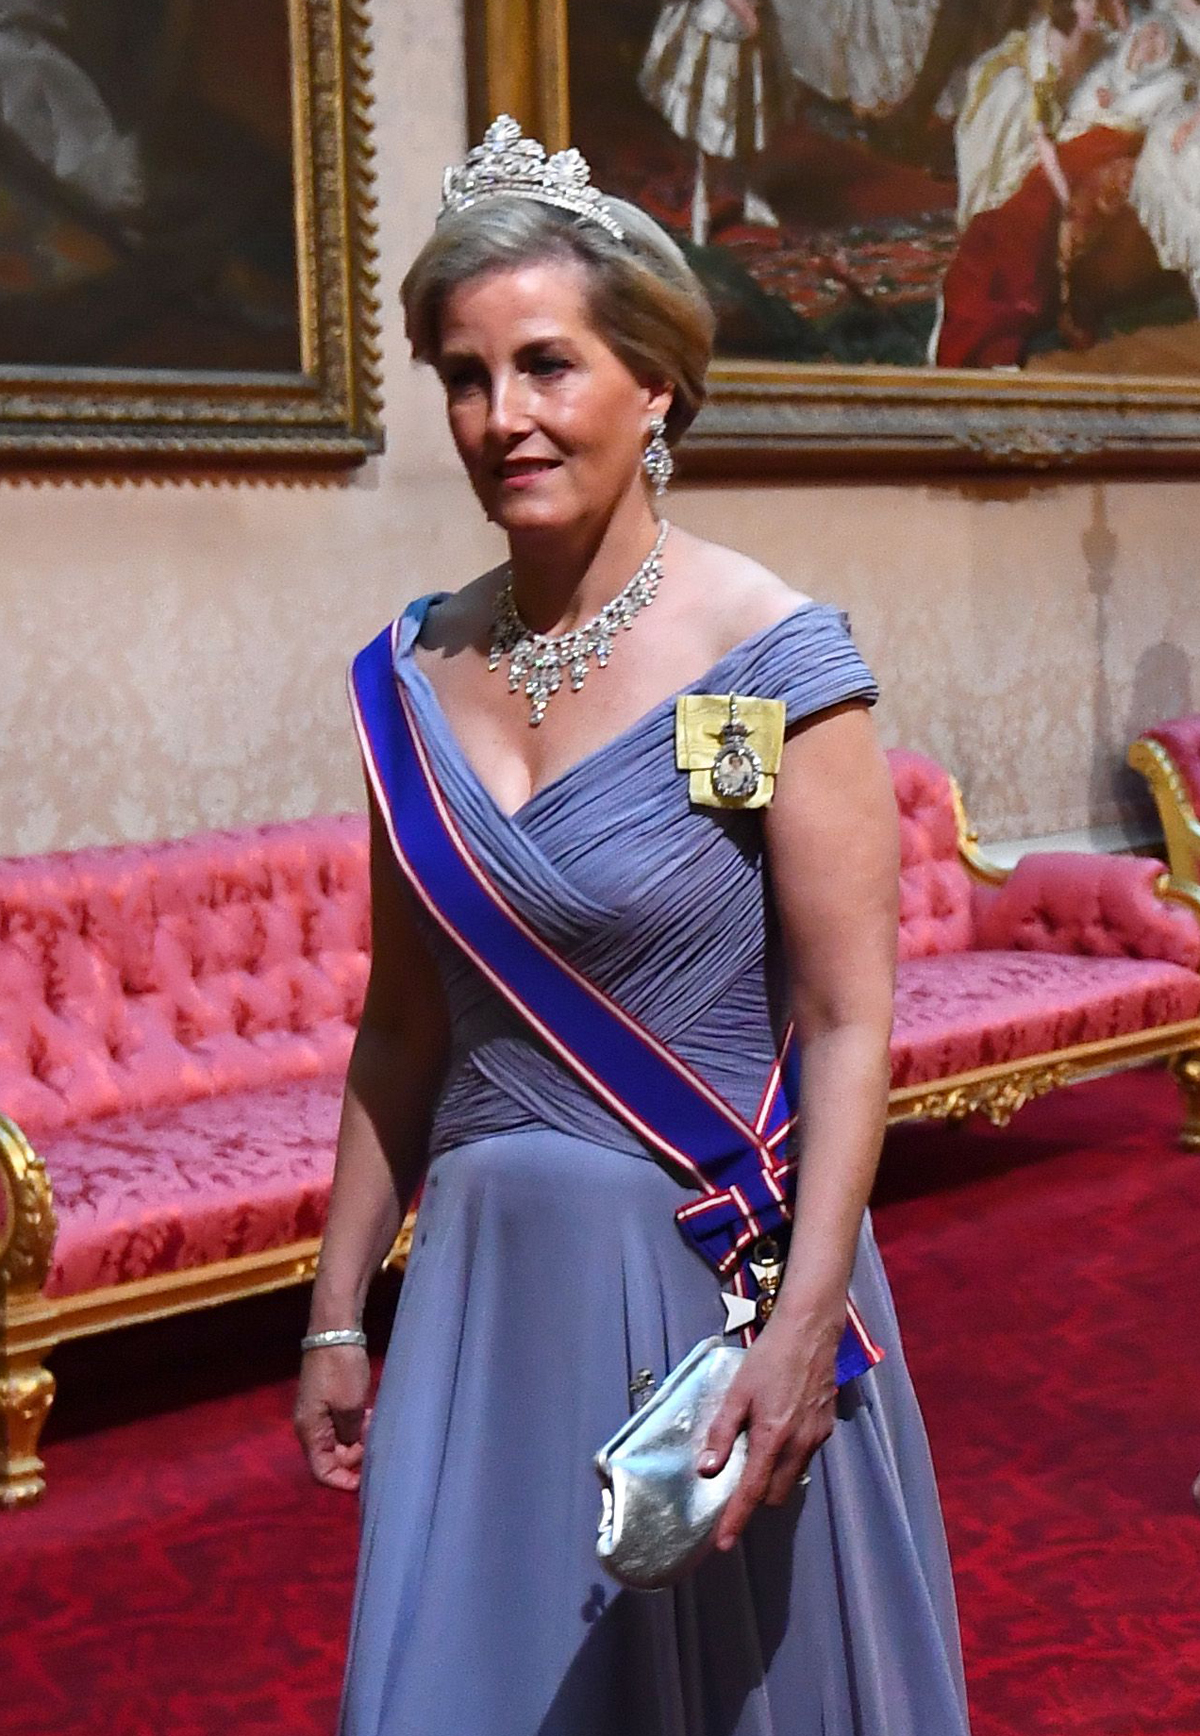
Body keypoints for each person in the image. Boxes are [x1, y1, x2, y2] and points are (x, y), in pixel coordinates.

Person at [295, 114, 971, 1736]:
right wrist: (335, 1306)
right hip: (481, 1294)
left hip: (706, 1290)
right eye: (466, 376)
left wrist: (811, 1321)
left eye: (547, 364)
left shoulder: (771, 659)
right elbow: (403, 1023)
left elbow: (848, 1017)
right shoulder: (407, 673)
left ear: (655, 382)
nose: (502, 417)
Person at [638, 0, 792, 242]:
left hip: (756, 23)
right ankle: (703, 199)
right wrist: (741, 10)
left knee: (751, 111)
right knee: (711, 116)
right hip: (716, 20)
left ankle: (752, 192)